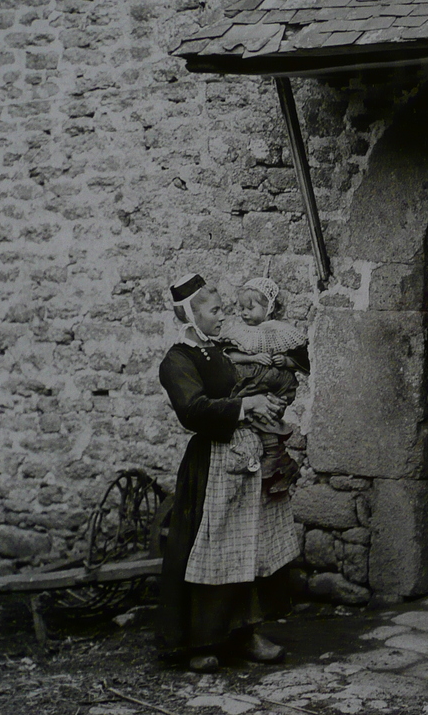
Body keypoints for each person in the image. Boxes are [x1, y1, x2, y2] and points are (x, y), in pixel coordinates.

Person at [157, 273, 301, 672]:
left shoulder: (221, 350)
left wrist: (267, 402)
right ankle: (201, 641)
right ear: (191, 315)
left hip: (244, 461)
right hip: (211, 465)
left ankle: (246, 633)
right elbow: (193, 411)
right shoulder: (177, 361)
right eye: (215, 311)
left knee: (246, 547)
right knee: (211, 550)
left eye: (223, 309)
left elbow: (254, 381)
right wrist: (246, 407)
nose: (224, 317)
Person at [219, 277, 308, 498]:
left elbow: (300, 361)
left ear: (268, 308)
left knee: (268, 414)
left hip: (274, 387)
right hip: (250, 385)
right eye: (241, 308)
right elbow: (230, 354)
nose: (244, 313)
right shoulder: (241, 333)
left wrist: (284, 361)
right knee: (251, 416)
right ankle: (278, 461)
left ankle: (277, 460)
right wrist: (254, 358)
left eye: (250, 308)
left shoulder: (280, 332)